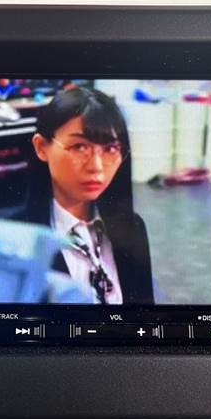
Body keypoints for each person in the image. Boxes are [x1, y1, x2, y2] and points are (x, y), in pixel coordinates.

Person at [15, 86, 153, 305]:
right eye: (79, 147)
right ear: (41, 147)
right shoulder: (16, 239)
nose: (96, 166)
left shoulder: (133, 228)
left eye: (110, 149)